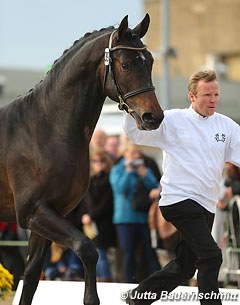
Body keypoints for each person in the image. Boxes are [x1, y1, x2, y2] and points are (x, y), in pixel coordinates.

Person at [123, 70, 240, 305]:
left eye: (216, 94)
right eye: (207, 94)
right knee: (211, 256)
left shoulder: (226, 126)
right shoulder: (174, 120)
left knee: (186, 266)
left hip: (206, 204)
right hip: (178, 200)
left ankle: (139, 297)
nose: (213, 99)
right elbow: (136, 134)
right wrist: (129, 107)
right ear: (192, 96)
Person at [110, 143, 161, 283]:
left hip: (143, 217)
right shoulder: (118, 169)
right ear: (125, 154)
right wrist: (127, 171)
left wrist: (145, 175)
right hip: (124, 219)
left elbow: (155, 187)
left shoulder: (144, 169)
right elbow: (120, 188)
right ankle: (128, 283)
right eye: (132, 153)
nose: (135, 157)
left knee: (150, 252)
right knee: (128, 254)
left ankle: (159, 283)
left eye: (138, 154)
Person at [80, 148, 116, 282]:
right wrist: (84, 215)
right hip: (89, 223)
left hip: (104, 222)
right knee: (94, 253)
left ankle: (105, 280)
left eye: (101, 161)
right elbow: (83, 201)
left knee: (102, 254)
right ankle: (99, 279)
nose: (98, 163)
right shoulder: (89, 180)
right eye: (94, 161)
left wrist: (91, 215)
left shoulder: (109, 179)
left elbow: (107, 203)